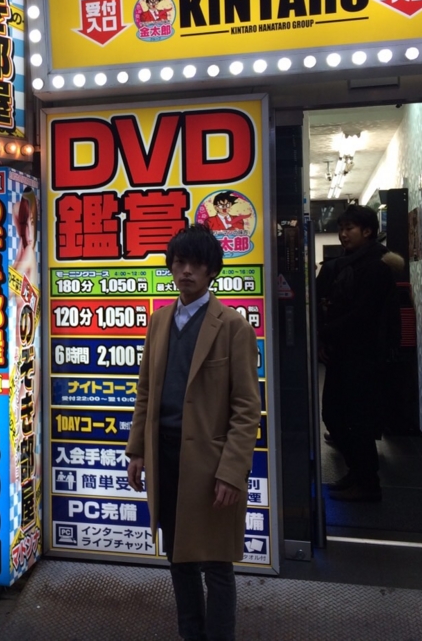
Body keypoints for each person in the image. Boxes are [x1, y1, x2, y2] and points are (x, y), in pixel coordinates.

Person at [126, 225, 261, 641]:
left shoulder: (233, 327)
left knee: (217, 564)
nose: (186, 271)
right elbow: (146, 391)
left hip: (210, 464)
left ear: (211, 271)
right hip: (165, 458)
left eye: (196, 264)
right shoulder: (159, 321)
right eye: (179, 262)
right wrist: (137, 450)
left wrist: (232, 472)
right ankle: (190, 634)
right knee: (178, 556)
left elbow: (246, 408)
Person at [316, 204, 401, 503]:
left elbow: (362, 315)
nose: (343, 234)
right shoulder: (350, 264)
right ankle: (357, 474)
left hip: (364, 357)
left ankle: (367, 483)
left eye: (349, 228)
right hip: (344, 353)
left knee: (357, 420)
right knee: (336, 416)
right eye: (341, 229)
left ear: (367, 231)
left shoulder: (377, 267)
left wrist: (323, 332)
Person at [12, 190, 38, 286]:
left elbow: (10, 287)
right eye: (25, 225)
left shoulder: (29, 253)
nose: (30, 232)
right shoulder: (25, 252)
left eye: (32, 223)